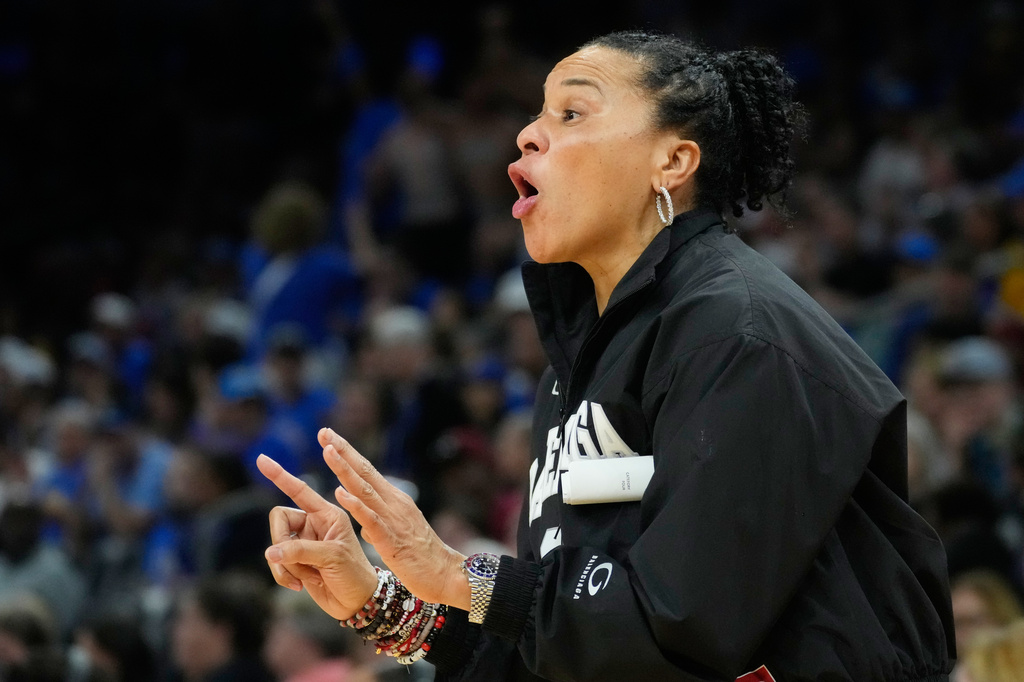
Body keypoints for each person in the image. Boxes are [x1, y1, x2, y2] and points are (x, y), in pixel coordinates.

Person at [257, 30, 955, 681]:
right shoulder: (579, 364)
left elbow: (680, 627)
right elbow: (569, 648)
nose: (529, 133)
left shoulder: (738, 333)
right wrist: (381, 600)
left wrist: (453, 573)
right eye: (538, 114)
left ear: (674, 161)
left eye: (572, 113)